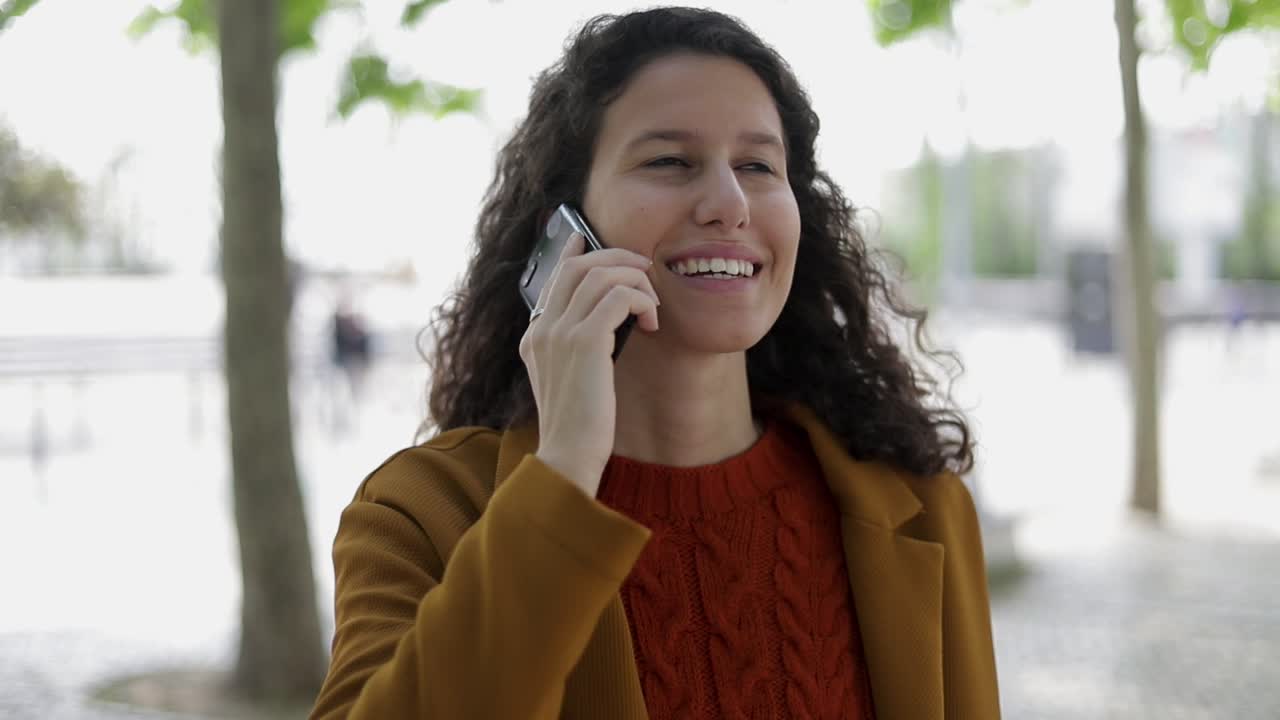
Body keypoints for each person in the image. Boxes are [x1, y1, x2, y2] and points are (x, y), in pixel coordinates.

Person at [310, 7, 1000, 719]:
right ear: (564, 230)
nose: (729, 204)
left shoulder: (922, 511)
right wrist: (564, 472)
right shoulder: (421, 514)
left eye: (759, 165)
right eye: (670, 161)